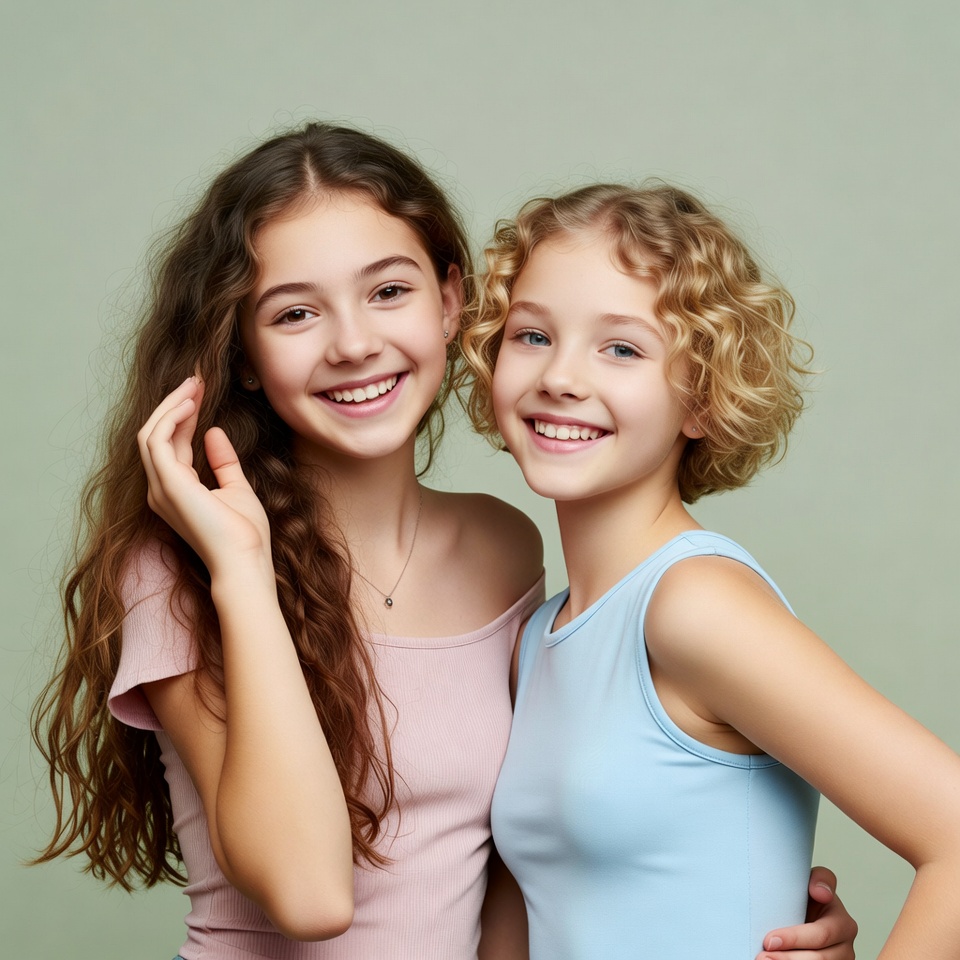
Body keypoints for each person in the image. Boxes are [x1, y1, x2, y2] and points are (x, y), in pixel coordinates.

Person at [31, 126, 858, 960]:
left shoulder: (506, 548)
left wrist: (756, 909)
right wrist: (241, 572)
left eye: (387, 291)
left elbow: (533, 857)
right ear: (243, 353)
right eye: (294, 313)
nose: (353, 343)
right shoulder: (179, 567)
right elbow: (309, 895)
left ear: (451, 300)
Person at [462, 182, 960, 960]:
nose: (560, 375)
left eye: (621, 347)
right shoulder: (537, 637)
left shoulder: (692, 605)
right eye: (532, 336)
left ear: (702, 400)